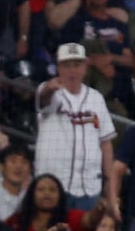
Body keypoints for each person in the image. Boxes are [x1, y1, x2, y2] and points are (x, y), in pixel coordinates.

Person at [35, 42, 117, 212]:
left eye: (77, 64)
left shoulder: (96, 98)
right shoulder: (48, 90)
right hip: (53, 187)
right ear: (58, 67)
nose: (72, 70)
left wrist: (110, 186)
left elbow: (106, 143)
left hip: (89, 187)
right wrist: (50, 89)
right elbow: (43, 99)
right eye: (66, 65)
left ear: (85, 67)